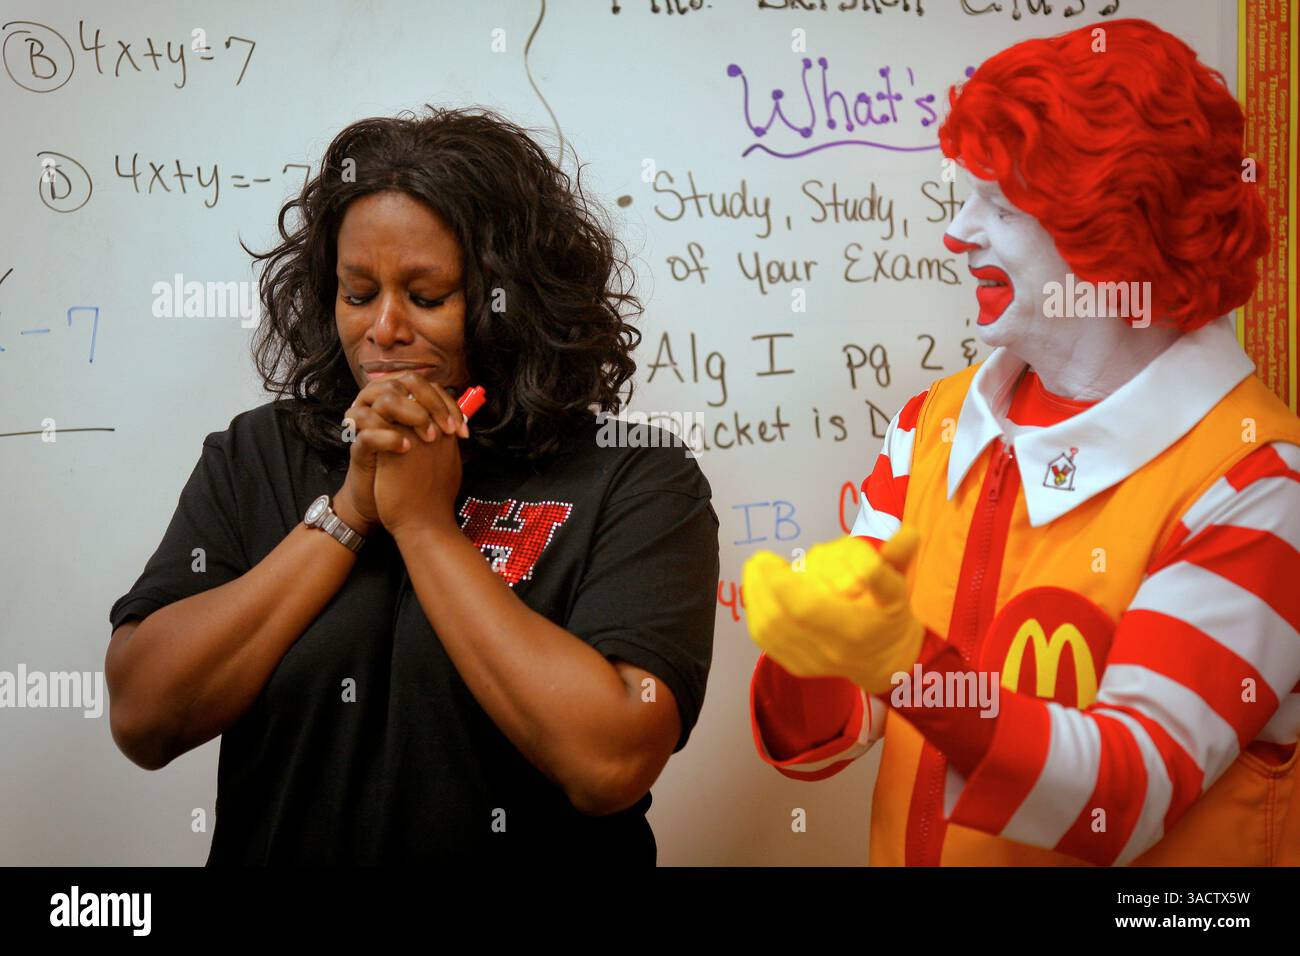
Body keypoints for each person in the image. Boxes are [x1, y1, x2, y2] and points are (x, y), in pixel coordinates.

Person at [743, 18, 1300, 865]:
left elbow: (1129, 791)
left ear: (1118, 233)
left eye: (999, 205)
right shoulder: (929, 424)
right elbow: (853, 719)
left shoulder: (1261, 483)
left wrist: (908, 666)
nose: (957, 233)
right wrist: (808, 650)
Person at [106, 106, 719, 865]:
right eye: (358, 293)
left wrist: (427, 527)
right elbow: (142, 717)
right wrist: (350, 513)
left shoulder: (635, 478)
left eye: (427, 297)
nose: (383, 330)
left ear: (513, 301)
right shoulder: (258, 454)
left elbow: (611, 763)